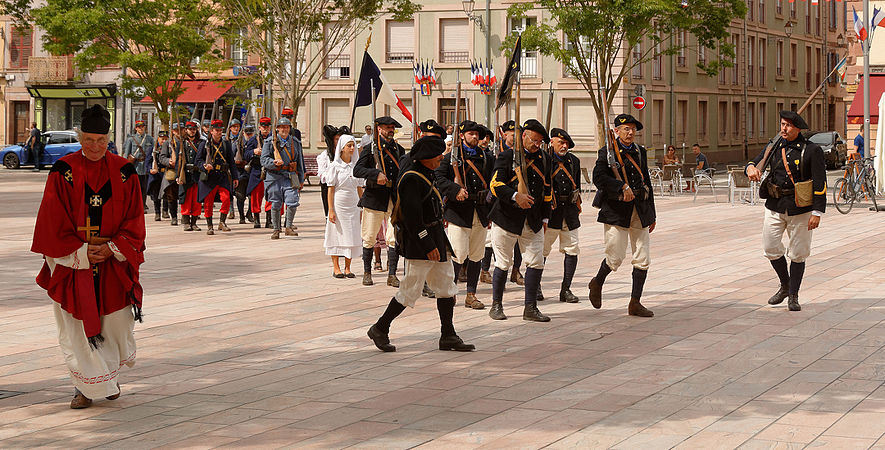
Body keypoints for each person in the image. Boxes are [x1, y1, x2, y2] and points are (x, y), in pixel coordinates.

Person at [31, 104, 145, 409]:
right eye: (88, 140)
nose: (94, 146)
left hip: (113, 262)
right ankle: (84, 387)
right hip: (73, 264)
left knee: (116, 323)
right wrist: (81, 252)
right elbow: (51, 221)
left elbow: (135, 219)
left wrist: (111, 248)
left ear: (108, 139)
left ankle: (108, 378)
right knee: (76, 327)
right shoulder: (63, 172)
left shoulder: (125, 173)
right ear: (80, 137)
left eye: (100, 140)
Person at [366, 136, 474, 353]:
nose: (441, 158)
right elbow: (412, 219)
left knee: (445, 286)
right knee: (411, 288)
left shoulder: (428, 173)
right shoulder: (411, 179)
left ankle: (448, 335)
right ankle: (380, 327)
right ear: (426, 158)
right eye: (438, 155)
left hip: (436, 237)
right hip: (420, 243)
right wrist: (427, 245)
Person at [745, 111, 826, 312]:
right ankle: (785, 284)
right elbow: (753, 163)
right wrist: (750, 169)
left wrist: (817, 212)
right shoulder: (774, 146)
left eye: (788, 126)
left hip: (801, 208)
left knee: (798, 253)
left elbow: (820, 182)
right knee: (770, 247)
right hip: (775, 204)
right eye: (782, 124)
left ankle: (793, 295)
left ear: (798, 129)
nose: (783, 129)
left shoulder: (811, 150)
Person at [587, 114, 656, 318]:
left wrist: (652, 214)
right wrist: (621, 186)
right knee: (615, 257)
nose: (630, 132)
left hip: (640, 210)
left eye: (633, 129)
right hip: (617, 211)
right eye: (626, 129)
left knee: (643, 258)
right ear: (616, 131)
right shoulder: (607, 152)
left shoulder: (640, 152)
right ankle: (597, 281)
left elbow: (648, 183)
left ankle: (635, 302)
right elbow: (599, 178)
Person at [487, 119, 553, 322]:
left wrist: (544, 216)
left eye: (540, 141)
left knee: (535, 262)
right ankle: (496, 305)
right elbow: (495, 185)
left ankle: (530, 307)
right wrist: (516, 196)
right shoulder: (507, 156)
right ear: (523, 136)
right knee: (503, 262)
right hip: (506, 217)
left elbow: (547, 190)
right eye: (534, 140)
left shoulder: (544, 158)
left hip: (532, 219)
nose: (536, 144)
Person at [434, 120, 493, 310]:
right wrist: (454, 189)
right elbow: (438, 178)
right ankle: (450, 293)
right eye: (471, 134)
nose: (475, 137)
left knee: (476, 255)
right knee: (458, 254)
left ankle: (471, 294)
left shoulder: (487, 157)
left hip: (480, 211)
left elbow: (494, 181)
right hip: (459, 212)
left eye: (477, 134)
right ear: (462, 135)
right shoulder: (451, 157)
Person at [353, 116, 405, 287]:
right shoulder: (370, 149)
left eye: (392, 127)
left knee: (393, 237)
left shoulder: (399, 149)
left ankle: (392, 275)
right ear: (379, 129)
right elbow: (358, 170)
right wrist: (375, 174)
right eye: (387, 127)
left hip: (393, 197)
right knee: (369, 237)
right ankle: (367, 272)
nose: (390, 130)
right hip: (375, 197)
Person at [544, 128, 582, 303]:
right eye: (561, 142)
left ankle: (566, 289)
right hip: (551, 213)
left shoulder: (574, 161)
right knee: (542, 251)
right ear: (552, 142)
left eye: (566, 143)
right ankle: (535, 287)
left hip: (570, 212)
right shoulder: (544, 160)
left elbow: (577, 188)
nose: (564, 146)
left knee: (572, 250)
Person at [324, 135, 365, 278]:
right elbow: (331, 189)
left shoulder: (356, 167)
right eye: (349, 145)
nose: (352, 148)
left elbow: (360, 187)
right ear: (342, 148)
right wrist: (331, 210)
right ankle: (336, 267)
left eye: (353, 145)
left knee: (352, 234)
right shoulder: (335, 167)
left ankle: (348, 267)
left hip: (353, 205)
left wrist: (362, 205)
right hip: (339, 203)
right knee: (336, 234)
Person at [261, 117, 305, 239]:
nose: (284, 130)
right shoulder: (269, 142)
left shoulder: (295, 142)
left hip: (290, 175)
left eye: (286, 127)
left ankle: (289, 226)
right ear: (277, 129)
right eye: (282, 127)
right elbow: (263, 159)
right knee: (275, 203)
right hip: (274, 177)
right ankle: (276, 229)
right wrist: (273, 162)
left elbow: (300, 161)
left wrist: (301, 178)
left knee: (292, 202)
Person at [196, 119, 239, 235]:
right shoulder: (204, 144)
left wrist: (235, 177)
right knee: (208, 203)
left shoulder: (226, 144)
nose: (219, 132)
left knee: (226, 198)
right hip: (209, 176)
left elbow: (231, 162)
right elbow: (198, 160)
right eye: (217, 130)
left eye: (220, 130)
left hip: (222, 176)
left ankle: (222, 222)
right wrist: (204, 166)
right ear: (211, 131)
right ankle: (210, 226)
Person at [178, 120, 204, 232]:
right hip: (185, 175)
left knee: (197, 201)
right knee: (186, 200)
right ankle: (186, 223)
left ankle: (194, 223)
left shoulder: (201, 143)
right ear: (186, 130)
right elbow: (178, 161)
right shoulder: (182, 143)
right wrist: (178, 175)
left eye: (194, 129)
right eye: (190, 129)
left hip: (197, 174)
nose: (192, 131)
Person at [122, 120, 154, 210]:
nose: (141, 128)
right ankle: (134, 205)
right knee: (135, 187)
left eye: (142, 126)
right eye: (139, 127)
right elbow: (126, 154)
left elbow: (153, 153)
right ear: (136, 128)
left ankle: (143, 205)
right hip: (135, 166)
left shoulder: (149, 139)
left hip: (145, 166)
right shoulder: (131, 139)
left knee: (144, 187)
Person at [242, 123, 265, 228]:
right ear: (260, 128)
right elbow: (245, 155)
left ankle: (270, 219)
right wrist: (254, 151)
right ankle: (256, 219)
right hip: (257, 170)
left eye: (268, 127)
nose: (266, 129)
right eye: (263, 127)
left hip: (272, 171)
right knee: (256, 196)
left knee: (271, 196)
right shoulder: (254, 140)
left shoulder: (273, 139)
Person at [156, 128, 179, 226]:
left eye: (181, 129)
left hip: (184, 171)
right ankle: (173, 217)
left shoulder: (186, 142)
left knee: (185, 195)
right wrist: (168, 161)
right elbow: (162, 158)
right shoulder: (167, 144)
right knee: (171, 195)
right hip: (171, 172)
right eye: (177, 130)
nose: (179, 132)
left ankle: (187, 217)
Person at [144, 130, 167, 222]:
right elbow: (148, 161)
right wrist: (149, 169)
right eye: (162, 139)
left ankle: (165, 210)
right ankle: (157, 213)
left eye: (165, 139)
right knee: (156, 194)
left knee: (166, 192)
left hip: (166, 174)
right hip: (156, 175)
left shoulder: (169, 148)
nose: (164, 141)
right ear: (158, 138)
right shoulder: (153, 148)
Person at [228, 119, 248, 223]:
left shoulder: (243, 139)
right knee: (228, 193)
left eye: (238, 126)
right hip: (228, 169)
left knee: (241, 195)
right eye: (234, 126)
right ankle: (231, 211)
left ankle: (243, 216)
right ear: (230, 128)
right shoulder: (226, 139)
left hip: (240, 170)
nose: (236, 128)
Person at [318, 125, 339, 217]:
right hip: (328, 187)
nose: (339, 142)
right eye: (337, 139)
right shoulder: (324, 155)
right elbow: (322, 176)